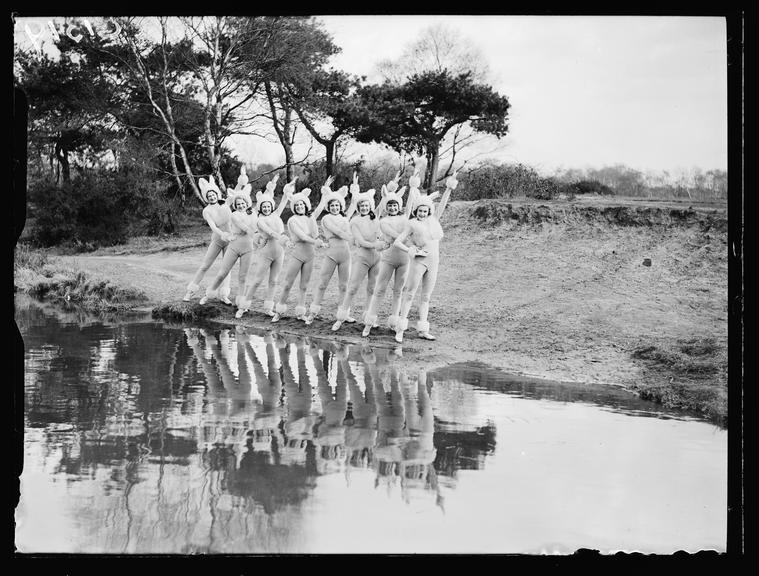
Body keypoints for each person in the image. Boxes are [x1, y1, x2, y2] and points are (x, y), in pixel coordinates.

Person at [392, 171, 459, 342]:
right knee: (409, 293)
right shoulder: (412, 223)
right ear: (416, 210)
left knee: (426, 296)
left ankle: (422, 328)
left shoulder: (434, 220)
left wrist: (449, 188)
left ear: (429, 210)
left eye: (425, 210)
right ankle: (400, 329)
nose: (422, 213)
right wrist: (413, 250)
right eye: (420, 210)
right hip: (419, 261)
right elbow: (398, 242)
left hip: (433, 261)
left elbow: (443, 203)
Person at [332, 173, 400, 332]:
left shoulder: (375, 216)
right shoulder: (354, 221)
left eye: (366, 205)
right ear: (358, 207)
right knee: (353, 287)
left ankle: (368, 317)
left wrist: (391, 187)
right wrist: (378, 245)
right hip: (362, 257)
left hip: (377, 258)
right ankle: (341, 317)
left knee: (372, 288)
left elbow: (384, 201)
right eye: (361, 205)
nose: (364, 207)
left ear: (370, 205)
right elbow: (361, 242)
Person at [361, 171, 414, 337]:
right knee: (380, 289)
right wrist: (404, 239)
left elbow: (411, 204)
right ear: (386, 206)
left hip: (404, 259)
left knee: (398, 291)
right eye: (389, 205)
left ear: (399, 206)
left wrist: (413, 187)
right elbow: (394, 237)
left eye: (395, 205)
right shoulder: (383, 222)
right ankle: (369, 322)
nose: (392, 208)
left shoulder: (405, 219)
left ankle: (394, 322)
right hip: (389, 258)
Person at [235, 175, 295, 319]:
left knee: (274, 281)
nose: (267, 208)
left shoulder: (277, 214)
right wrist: (283, 239)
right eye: (264, 206)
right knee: (257, 280)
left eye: (269, 206)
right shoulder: (259, 220)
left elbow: (283, 202)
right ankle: (243, 307)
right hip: (266, 252)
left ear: (271, 206)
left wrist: (287, 189)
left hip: (280, 252)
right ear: (261, 208)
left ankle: (269, 308)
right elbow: (271, 232)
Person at [302, 177, 355, 325]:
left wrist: (355, 190)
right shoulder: (326, 219)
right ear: (329, 207)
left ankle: (344, 313)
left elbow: (353, 207)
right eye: (332, 206)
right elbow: (338, 232)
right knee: (322, 284)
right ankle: (313, 312)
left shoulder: (345, 218)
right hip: (332, 254)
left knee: (344, 285)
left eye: (337, 205)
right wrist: (353, 238)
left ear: (341, 206)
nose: (335, 208)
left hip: (345, 255)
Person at [199, 180, 259, 306]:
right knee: (223, 273)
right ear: (235, 205)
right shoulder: (234, 215)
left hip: (248, 247)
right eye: (238, 204)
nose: (241, 205)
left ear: (247, 203)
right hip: (234, 245)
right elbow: (245, 227)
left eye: (243, 203)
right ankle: (208, 294)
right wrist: (256, 235)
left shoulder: (253, 213)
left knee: (243, 277)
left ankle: (241, 303)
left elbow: (265, 208)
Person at [271, 187, 326, 322]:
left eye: (302, 204)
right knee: (288, 284)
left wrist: (325, 194)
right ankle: (279, 310)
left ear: (305, 204)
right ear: (294, 207)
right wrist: (316, 242)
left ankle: (301, 312)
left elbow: (319, 209)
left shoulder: (310, 217)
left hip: (310, 254)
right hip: (297, 253)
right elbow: (303, 236)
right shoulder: (292, 220)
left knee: (304, 285)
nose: (300, 206)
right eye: (297, 205)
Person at [182, 175, 233, 303]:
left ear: (217, 194)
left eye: (213, 194)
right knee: (205, 266)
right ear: (206, 197)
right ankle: (190, 292)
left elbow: (237, 198)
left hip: (230, 240)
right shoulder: (207, 210)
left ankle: (224, 294)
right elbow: (213, 226)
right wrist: (222, 234)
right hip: (217, 239)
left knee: (227, 268)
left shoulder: (226, 204)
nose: (212, 197)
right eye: (209, 196)